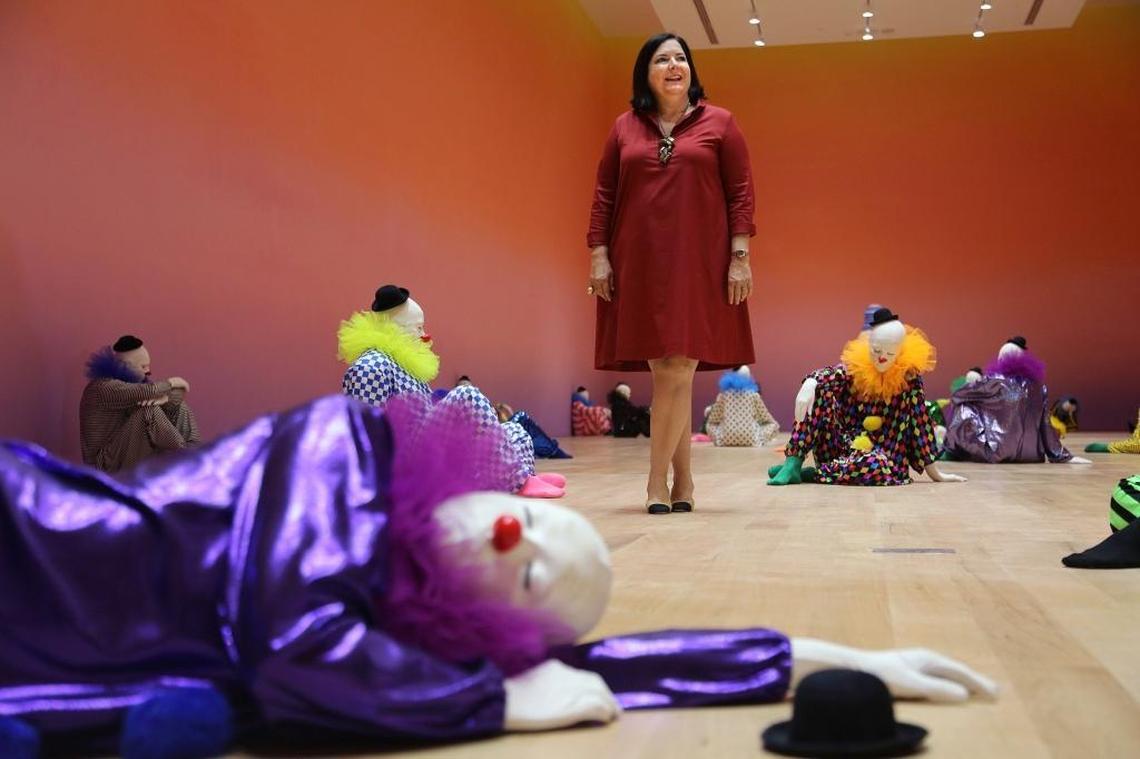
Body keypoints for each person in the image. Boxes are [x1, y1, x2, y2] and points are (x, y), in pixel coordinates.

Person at [0, 394, 997, 759]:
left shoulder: (384, 644)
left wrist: (819, 656)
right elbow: (295, 652)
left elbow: (595, 670)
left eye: (529, 586)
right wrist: (490, 701)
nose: (520, 544)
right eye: (542, 527)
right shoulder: (339, 443)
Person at [587, 33, 756, 515]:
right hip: (638, 259)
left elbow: (741, 192)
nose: (674, 65)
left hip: (699, 260)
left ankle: (655, 481)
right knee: (666, 371)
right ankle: (684, 480)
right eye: (662, 59)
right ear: (646, 73)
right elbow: (603, 196)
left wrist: (740, 255)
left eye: (681, 58)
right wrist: (599, 254)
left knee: (679, 366)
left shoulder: (720, 123)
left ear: (691, 70)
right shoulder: (623, 128)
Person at [338, 284, 564, 497]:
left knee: (514, 430)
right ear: (393, 329)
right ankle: (518, 481)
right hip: (407, 465)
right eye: (418, 328)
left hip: (432, 455)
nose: (424, 335)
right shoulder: (371, 366)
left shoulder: (404, 365)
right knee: (467, 395)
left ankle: (521, 477)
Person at [768, 308, 965, 486]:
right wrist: (811, 382)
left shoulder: (909, 380)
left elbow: (919, 423)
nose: (881, 358)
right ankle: (793, 463)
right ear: (869, 344)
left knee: (875, 465)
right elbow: (834, 374)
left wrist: (935, 473)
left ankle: (813, 474)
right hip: (842, 448)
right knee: (820, 388)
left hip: (882, 460)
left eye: (890, 353)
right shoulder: (857, 368)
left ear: (900, 353)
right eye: (876, 350)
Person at [943, 337, 1090, 465]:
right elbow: (1045, 423)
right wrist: (1060, 454)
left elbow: (958, 395)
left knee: (964, 406)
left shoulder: (993, 382)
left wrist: (983, 404)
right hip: (1031, 455)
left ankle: (951, 449)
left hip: (997, 452)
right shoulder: (1039, 388)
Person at [79, 335, 199, 473]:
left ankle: (194, 452)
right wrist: (175, 382)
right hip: (105, 464)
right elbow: (149, 390)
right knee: (148, 411)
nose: (148, 371)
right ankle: (189, 461)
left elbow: (175, 397)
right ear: (125, 366)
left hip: (127, 451)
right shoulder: (102, 387)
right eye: (143, 366)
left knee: (178, 407)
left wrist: (166, 399)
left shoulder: (133, 384)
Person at [705, 366, 779, 447]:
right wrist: (760, 437)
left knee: (710, 424)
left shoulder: (723, 396)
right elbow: (768, 420)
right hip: (753, 439)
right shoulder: (753, 396)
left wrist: (719, 438)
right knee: (773, 424)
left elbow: (712, 421)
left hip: (724, 439)